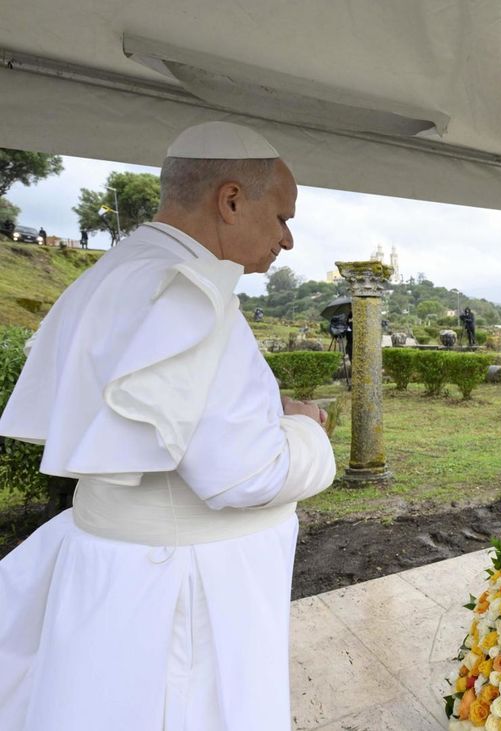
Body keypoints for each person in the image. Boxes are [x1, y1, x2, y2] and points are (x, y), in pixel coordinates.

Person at [0, 121, 337, 730]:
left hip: (117, 578)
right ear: (231, 200)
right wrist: (310, 428)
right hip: (181, 601)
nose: (286, 240)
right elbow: (245, 475)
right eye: (283, 217)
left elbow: (170, 419)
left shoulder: (112, 275)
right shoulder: (190, 295)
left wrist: (267, 411)